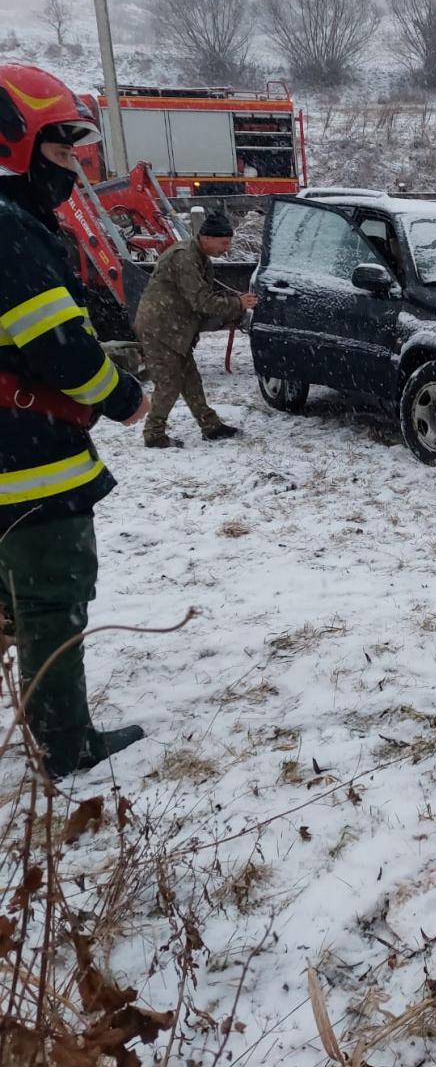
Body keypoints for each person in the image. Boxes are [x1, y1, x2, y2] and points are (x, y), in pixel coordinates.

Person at [0, 62, 150, 779]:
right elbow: (63, 349)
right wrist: (125, 397)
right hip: (32, 466)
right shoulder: (11, 230)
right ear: (15, 145)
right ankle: (64, 745)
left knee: (8, 603)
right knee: (52, 604)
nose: (69, 172)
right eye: (61, 154)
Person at [135, 212, 257, 448]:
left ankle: (210, 426)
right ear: (207, 238)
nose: (227, 248)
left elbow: (205, 297)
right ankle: (154, 434)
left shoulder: (200, 258)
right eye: (223, 243)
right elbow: (201, 301)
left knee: (190, 379)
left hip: (175, 328)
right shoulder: (185, 258)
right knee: (169, 383)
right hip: (161, 328)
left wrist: (234, 302)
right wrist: (237, 304)